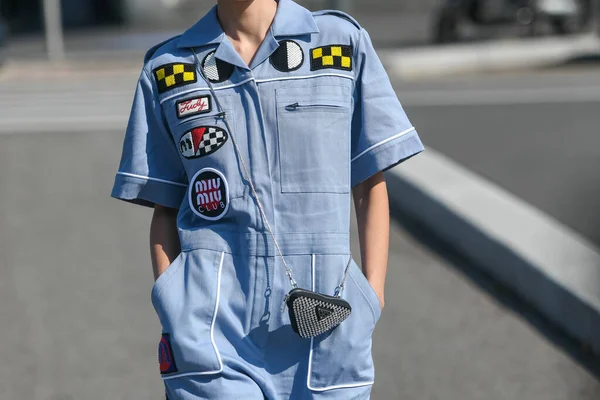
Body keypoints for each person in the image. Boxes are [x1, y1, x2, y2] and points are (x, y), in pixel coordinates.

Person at [111, 0, 424, 398]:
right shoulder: (169, 67)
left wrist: (371, 296)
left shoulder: (339, 45)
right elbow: (166, 202)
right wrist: (174, 299)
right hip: (211, 326)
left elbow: (368, 181)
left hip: (328, 318)